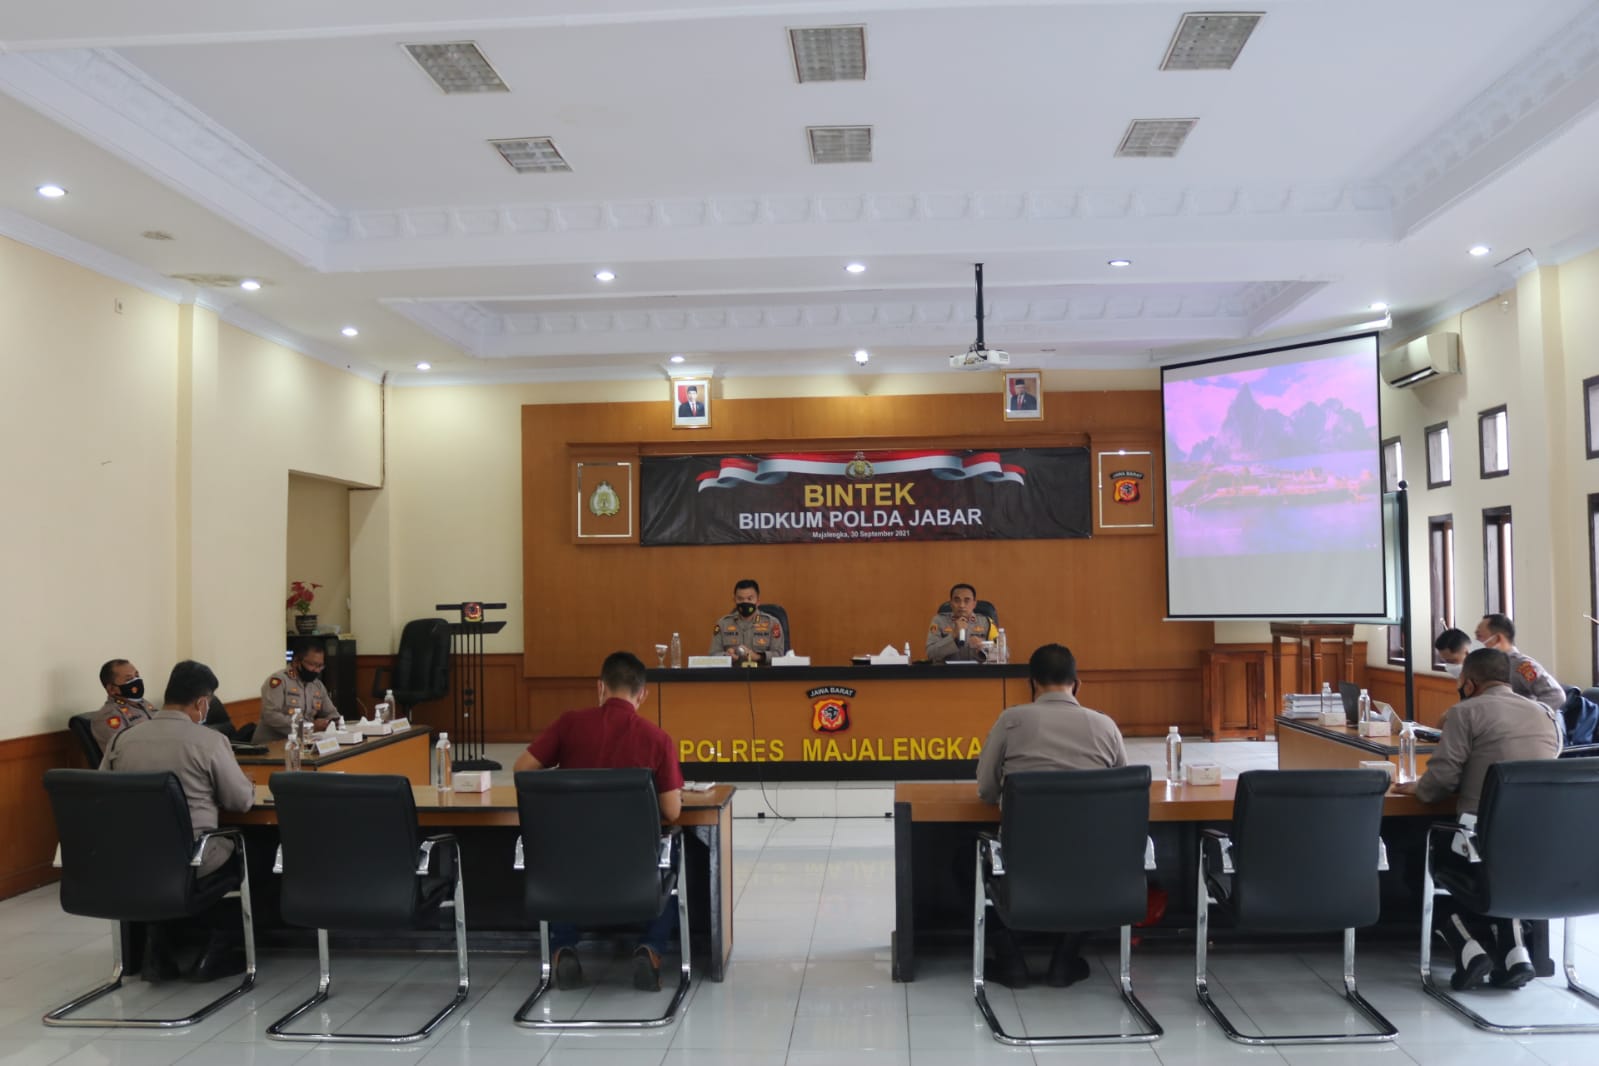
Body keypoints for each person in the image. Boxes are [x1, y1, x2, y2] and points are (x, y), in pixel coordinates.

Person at [513, 651, 684, 993]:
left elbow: (522, 770)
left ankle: (563, 948)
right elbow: (673, 811)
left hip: (571, 864)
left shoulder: (569, 724)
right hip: (634, 869)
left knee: (556, 850)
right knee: (676, 846)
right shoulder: (656, 738)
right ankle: (650, 949)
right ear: (643, 694)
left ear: (600, 687)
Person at [1393, 648, 1560, 991]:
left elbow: (1440, 783)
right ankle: (1515, 953)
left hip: (1479, 840)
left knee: (1416, 859)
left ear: (1469, 684)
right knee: (1500, 873)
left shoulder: (1465, 712)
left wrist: (1417, 788)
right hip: (1539, 843)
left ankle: (1469, 950)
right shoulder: (1544, 713)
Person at [974, 643, 1128, 989]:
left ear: (1032, 683)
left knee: (962, 863)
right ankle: (1065, 957)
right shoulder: (1105, 726)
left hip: (1023, 860)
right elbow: (1121, 791)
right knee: (1087, 868)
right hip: (1093, 861)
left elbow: (985, 790)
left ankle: (1010, 959)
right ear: (1078, 684)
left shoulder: (1011, 721)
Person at [100, 660, 256, 980]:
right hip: (193, 857)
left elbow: (103, 794)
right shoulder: (209, 741)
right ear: (201, 702)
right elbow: (240, 802)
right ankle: (217, 948)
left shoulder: (122, 740)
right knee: (250, 846)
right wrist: (246, 784)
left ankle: (158, 944)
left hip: (132, 856)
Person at [1474, 614, 1565, 714]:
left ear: (1497, 638)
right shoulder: (1485, 665)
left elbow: (1555, 695)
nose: (1475, 641)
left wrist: (1525, 717)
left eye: (1479, 636)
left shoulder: (1521, 665)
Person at [255, 638, 338, 743]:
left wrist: (333, 722)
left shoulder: (317, 685)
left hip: (303, 742)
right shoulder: (279, 681)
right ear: (296, 661)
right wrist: (309, 727)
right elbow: (271, 715)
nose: (317, 670)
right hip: (273, 744)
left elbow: (331, 713)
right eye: (312, 665)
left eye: (320, 666)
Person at [708, 579, 787, 664]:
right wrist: (726, 656)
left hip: (761, 671)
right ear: (734, 600)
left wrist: (758, 657)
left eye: (749, 598)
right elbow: (713, 654)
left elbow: (779, 655)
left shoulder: (772, 623)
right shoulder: (723, 624)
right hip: (733, 671)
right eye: (740, 599)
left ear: (758, 601)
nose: (745, 602)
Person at [89, 658, 159, 750]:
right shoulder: (108, 716)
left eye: (137, 676)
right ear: (112, 689)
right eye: (129, 679)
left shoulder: (144, 703)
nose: (136, 681)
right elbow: (126, 751)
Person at [926, 583, 998, 663]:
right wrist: (953, 635)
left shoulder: (986, 622)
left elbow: (1002, 653)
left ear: (974, 604)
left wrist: (985, 647)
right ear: (951, 603)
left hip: (978, 670)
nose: (961, 605)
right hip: (946, 670)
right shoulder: (939, 621)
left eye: (967, 601)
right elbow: (930, 654)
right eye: (957, 600)